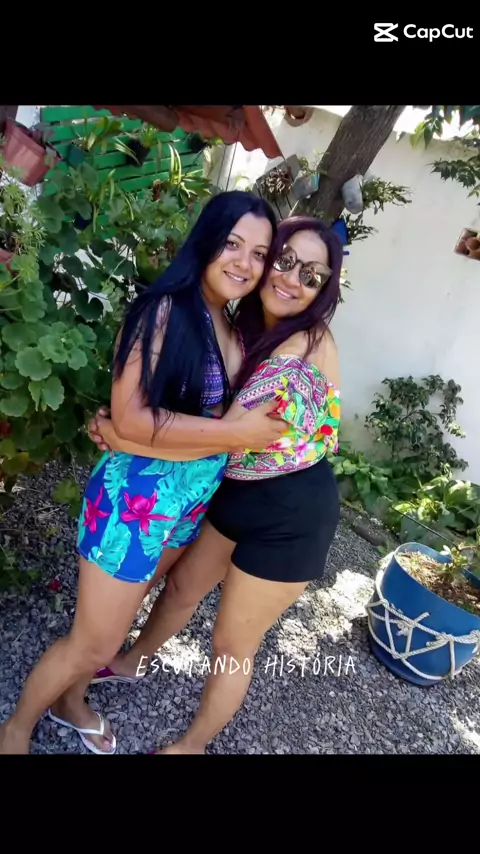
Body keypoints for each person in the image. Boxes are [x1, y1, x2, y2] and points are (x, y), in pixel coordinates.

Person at [0, 190, 288, 755]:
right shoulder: (163, 310)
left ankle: (70, 702)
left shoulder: (231, 325)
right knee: (94, 640)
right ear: (206, 241)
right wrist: (238, 435)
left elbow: (156, 422)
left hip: (186, 505)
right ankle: (15, 729)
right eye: (232, 244)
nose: (245, 263)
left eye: (258, 253)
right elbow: (131, 416)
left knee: (119, 622)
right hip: (135, 503)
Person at [87, 214, 343, 755]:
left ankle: (192, 746)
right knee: (181, 588)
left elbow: (224, 438)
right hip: (236, 492)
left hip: (292, 514)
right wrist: (127, 426)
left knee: (231, 643)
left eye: (312, 275)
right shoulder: (244, 327)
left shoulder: (303, 349)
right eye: (284, 260)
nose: (292, 279)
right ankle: (132, 662)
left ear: (324, 290)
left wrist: (124, 433)